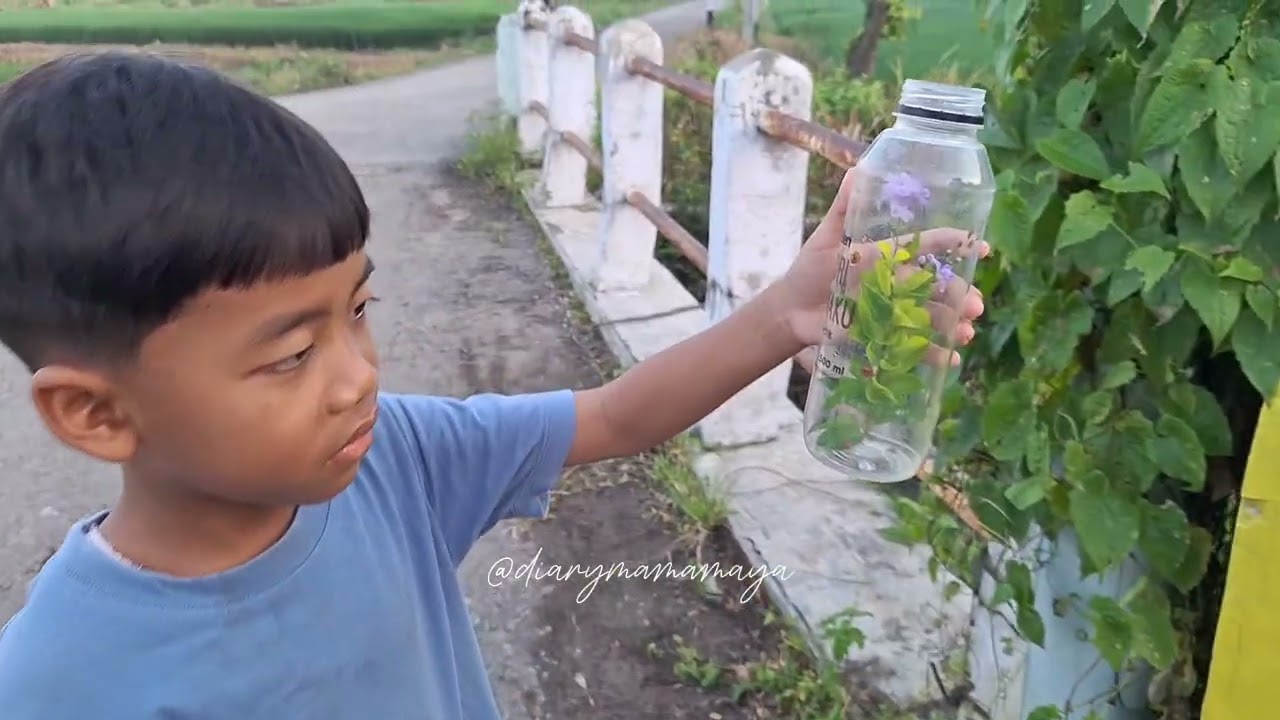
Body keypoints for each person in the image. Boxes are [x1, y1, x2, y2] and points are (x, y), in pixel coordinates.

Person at [0, 52, 988, 719]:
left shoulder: (399, 460)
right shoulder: (56, 681)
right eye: (292, 355)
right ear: (95, 413)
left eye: (357, 310)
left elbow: (613, 415)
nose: (357, 378)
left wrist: (787, 313)